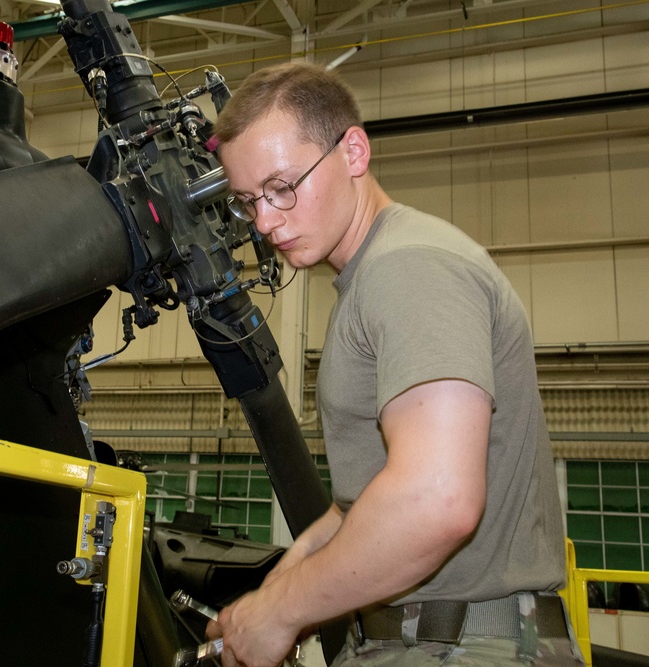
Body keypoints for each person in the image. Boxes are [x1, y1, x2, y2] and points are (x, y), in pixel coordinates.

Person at [205, 62, 582, 667]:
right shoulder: (373, 278)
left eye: (282, 187)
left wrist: (283, 613)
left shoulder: (408, 268)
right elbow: (361, 503)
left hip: (457, 646)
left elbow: (436, 498)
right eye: (249, 202)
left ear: (353, 151)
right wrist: (271, 598)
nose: (267, 222)